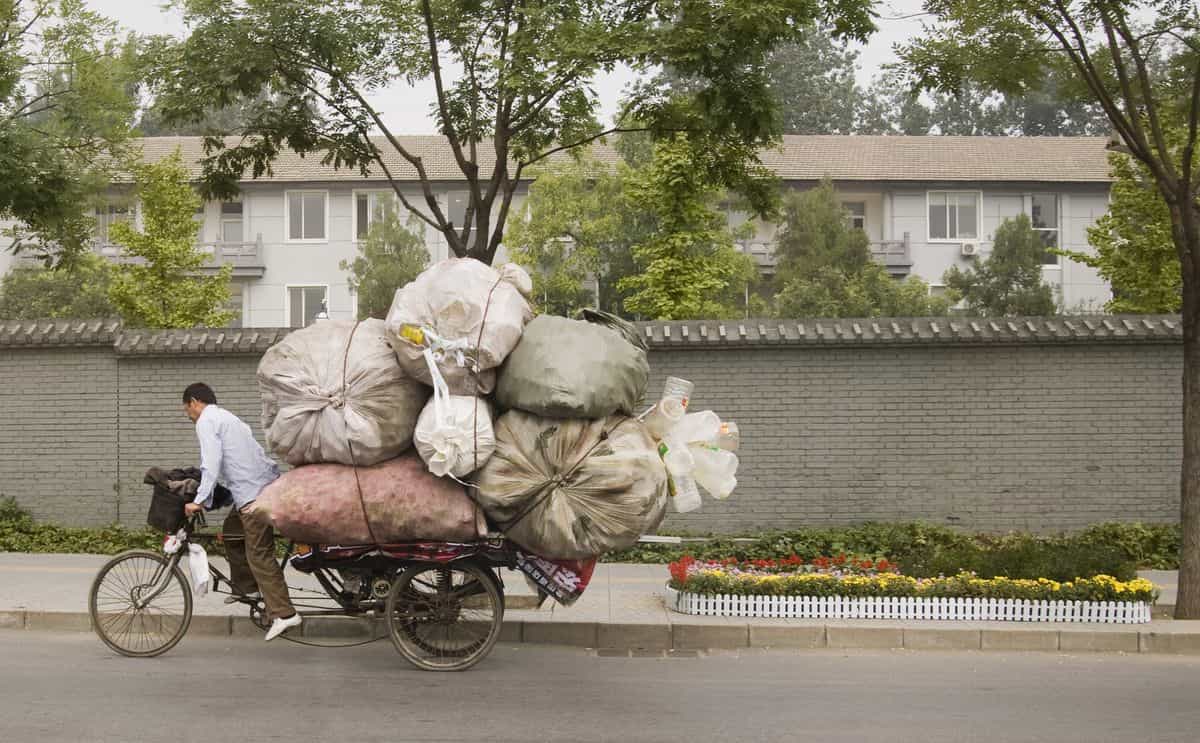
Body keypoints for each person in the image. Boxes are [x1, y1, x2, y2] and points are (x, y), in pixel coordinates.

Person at [182, 382, 301, 641]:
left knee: (259, 554)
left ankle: (284, 612)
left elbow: (210, 463)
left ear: (194, 402)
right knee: (232, 532)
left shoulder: (206, 420)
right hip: (257, 486)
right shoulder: (228, 417)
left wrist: (199, 500)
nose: (188, 416)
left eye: (186, 410)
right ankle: (249, 589)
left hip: (253, 494)